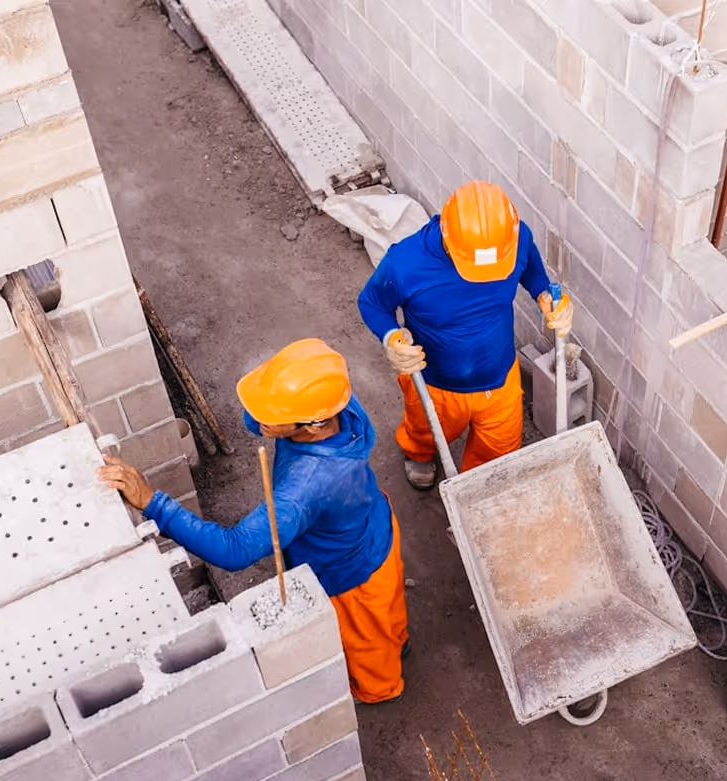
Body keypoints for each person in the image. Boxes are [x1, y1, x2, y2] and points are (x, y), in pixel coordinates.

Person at [98, 338, 409, 705]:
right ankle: (396, 641)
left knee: (369, 648)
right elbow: (259, 419)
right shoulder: (336, 404)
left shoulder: (305, 489)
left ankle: (379, 691)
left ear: (311, 426)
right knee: (388, 618)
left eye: (273, 412)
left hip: (350, 575)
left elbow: (236, 549)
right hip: (376, 528)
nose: (261, 418)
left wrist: (153, 502)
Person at [357, 181, 574, 490]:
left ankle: (477, 489)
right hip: (435, 382)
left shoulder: (515, 240)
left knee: (496, 457)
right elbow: (371, 303)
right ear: (447, 237)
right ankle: (419, 453)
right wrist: (390, 336)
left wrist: (548, 299)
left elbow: (535, 276)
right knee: (426, 431)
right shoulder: (405, 263)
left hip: (499, 378)